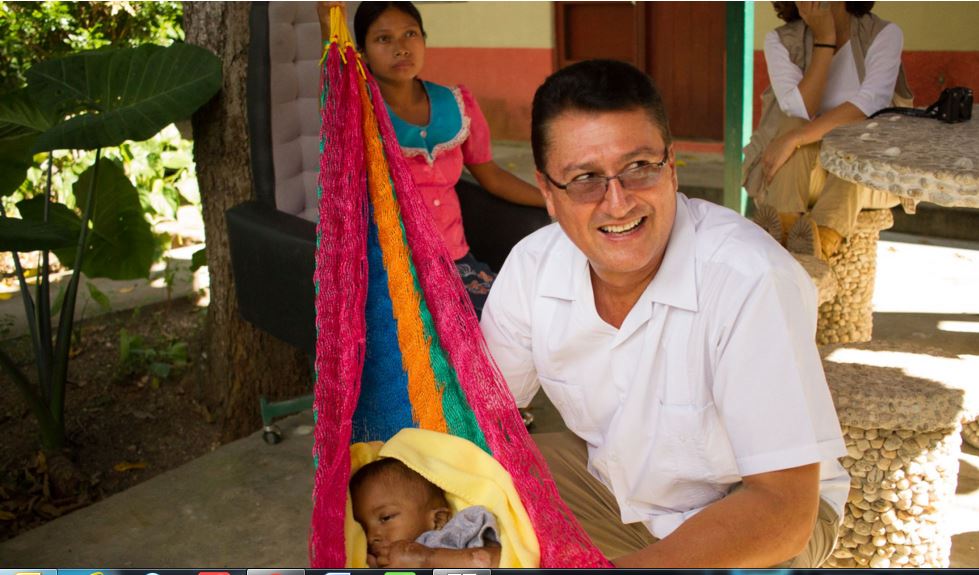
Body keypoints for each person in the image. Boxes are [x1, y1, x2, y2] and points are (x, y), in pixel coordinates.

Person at [480, 59, 849, 567]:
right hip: (614, 486)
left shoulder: (748, 277)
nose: (618, 203)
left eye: (639, 168)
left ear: (671, 167)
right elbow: (476, 416)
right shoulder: (533, 267)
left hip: (753, 516)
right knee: (460, 490)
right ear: (547, 192)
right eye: (586, 178)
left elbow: (783, 507)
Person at [318, 1, 545, 317]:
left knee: (510, 323)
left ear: (424, 39)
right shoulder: (358, 111)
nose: (401, 48)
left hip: (456, 263)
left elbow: (491, 175)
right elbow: (338, 79)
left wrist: (551, 201)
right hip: (391, 271)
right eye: (384, 39)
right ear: (363, 53)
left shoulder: (455, 102)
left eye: (410, 34)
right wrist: (329, 21)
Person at [742, 1, 912, 261]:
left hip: (870, 178)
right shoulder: (781, 41)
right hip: (803, 176)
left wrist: (795, 139)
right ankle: (785, 231)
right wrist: (825, 40)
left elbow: (869, 104)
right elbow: (801, 108)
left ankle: (819, 244)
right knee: (794, 123)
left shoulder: (884, 34)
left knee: (855, 133)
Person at [350, 457, 502, 568]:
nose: (370, 537)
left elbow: (501, 560)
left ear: (438, 519)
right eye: (362, 527)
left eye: (386, 518)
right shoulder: (372, 562)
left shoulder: (457, 531)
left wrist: (428, 559)